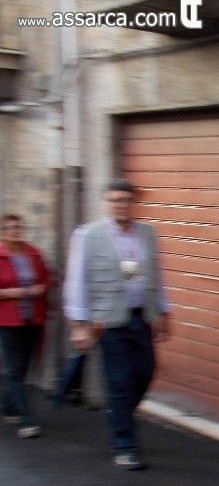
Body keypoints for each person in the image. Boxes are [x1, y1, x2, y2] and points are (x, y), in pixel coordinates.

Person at [64, 178, 171, 470]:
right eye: (114, 200)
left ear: (134, 202)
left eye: (125, 200)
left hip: (141, 317)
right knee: (121, 382)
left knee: (146, 373)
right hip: (108, 321)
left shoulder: (148, 233)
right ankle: (125, 446)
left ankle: (118, 413)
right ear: (107, 203)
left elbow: (156, 275)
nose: (120, 205)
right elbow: (77, 280)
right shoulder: (88, 235)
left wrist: (164, 311)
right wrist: (78, 323)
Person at [0, 214, 51, 438]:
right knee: (15, 368)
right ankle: (26, 420)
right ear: (3, 232)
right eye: (9, 228)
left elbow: (48, 278)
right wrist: (12, 293)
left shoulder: (34, 253)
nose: (15, 231)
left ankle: (10, 406)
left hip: (33, 318)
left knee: (23, 368)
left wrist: (43, 287)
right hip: (9, 320)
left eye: (18, 227)